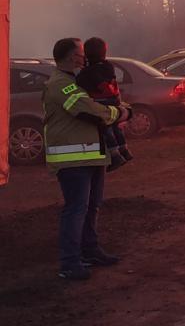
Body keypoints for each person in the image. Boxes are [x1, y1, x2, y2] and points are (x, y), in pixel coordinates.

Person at [44, 37, 132, 280]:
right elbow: (87, 109)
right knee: (76, 209)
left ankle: (90, 251)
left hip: (93, 155)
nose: (85, 58)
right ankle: (69, 263)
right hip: (73, 160)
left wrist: (120, 107)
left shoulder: (78, 80)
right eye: (82, 54)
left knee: (92, 206)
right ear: (72, 57)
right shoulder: (60, 84)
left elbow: (101, 98)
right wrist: (120, 113)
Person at [75, 37, 133, 171]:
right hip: (114, 100)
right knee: (116, 127)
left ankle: (115, 156)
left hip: (101, 103)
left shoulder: (89, 71)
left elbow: (80, 82)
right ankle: (124, 150)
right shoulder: (108, 66)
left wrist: (81, 71)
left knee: (105, 128)